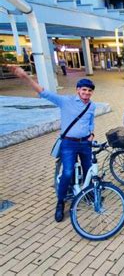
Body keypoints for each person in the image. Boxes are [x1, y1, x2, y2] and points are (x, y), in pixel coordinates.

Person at [9, 65, 96, 223]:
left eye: (89, 91)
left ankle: (88, 192)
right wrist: (26, 77)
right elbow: (43, 92)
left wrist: (92, 133)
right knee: (68, 172)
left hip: (85, 144)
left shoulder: (92, 105)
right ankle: (60, 202)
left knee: (88, 171)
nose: (86, 93)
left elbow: (90, 121)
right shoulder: (65, 101)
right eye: (84, 90)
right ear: (78, 90)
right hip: (69, 144)